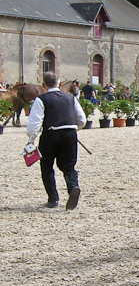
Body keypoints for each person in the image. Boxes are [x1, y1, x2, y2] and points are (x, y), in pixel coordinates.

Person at [26, 72, 86, 209]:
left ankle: (53, 199)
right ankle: (73, 186)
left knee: (46, 166)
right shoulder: (70, 98)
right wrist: (73, 129)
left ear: (43, 85)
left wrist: (31, 140)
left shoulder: (41, 99)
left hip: (50, 134)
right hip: (70, 133)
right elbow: (81, 119)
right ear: (59, 84)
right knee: (68, 166)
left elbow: (35, 123)